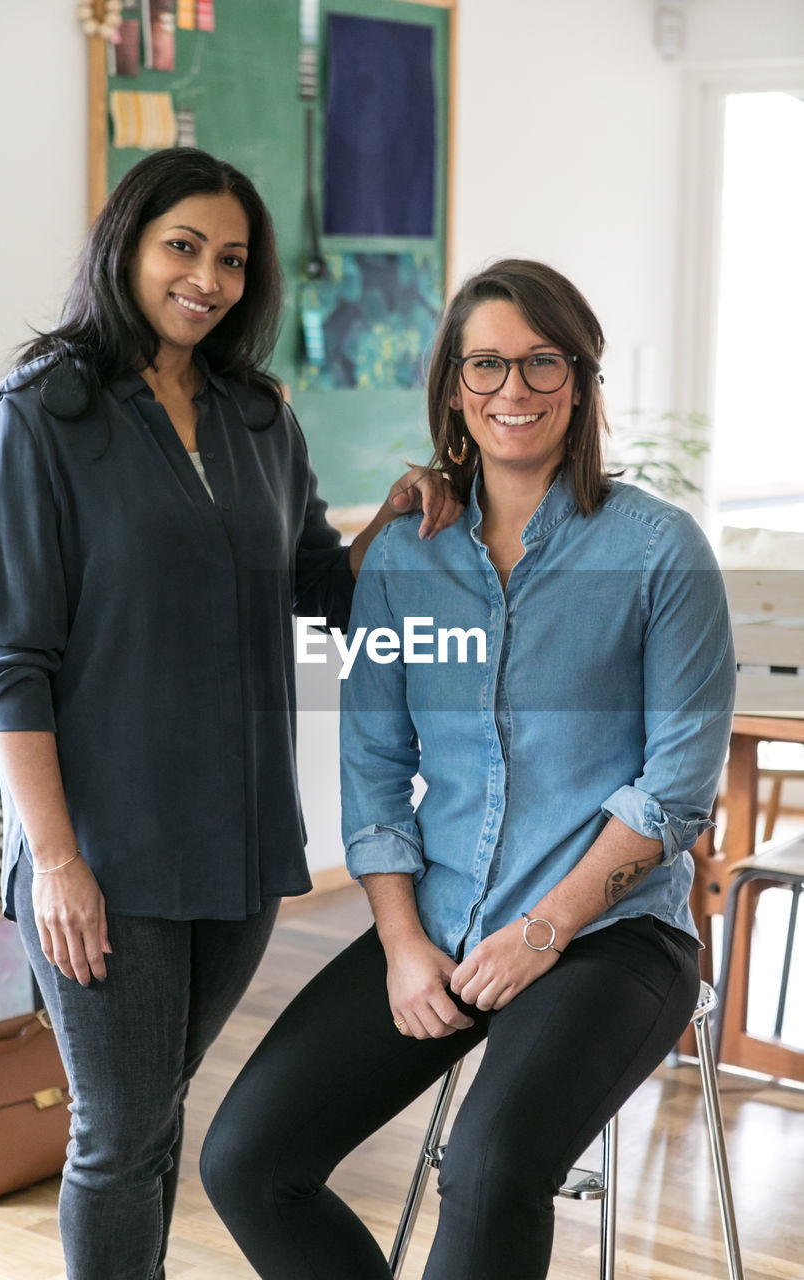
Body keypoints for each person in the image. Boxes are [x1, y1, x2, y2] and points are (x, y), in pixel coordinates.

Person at [0, 147, 460, 1280]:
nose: (208, 277)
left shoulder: (254, 413)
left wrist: (393, 512)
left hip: (236, 846)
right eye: (182, 246)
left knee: (153, 1119)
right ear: (127, 243)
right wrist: (58, 861)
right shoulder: (39, 414)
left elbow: (322, 590)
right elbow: (10, 664)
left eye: (231, 259)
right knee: (118, 1134)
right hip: (107, 852)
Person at [200, 259, 737, 1280]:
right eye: (486, 364)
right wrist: (401, 942)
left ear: (580, 380)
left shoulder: (660, 550)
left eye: (543, 362)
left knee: (487, 1168)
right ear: (452, 384)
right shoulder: (409, 553)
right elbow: (372, 765)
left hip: (612, 936)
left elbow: (674, 787)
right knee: (246, 1158)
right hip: (439, 924)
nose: (513, 390)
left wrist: (543, 928)